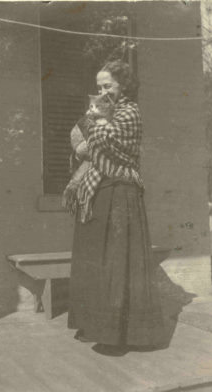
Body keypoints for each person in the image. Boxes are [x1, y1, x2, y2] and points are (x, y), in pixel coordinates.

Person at [67, 60, 165, 354]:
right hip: (98, 191)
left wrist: (94, 129)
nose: (102, 91)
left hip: (121, 194)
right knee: (94, 259)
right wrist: (90, 134)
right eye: (99, 87)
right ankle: (93, 326)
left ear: (123, 85)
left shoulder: (129, 112)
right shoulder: (102, 112)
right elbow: (78, 141)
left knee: (117, 264)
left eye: (108, 85)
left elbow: (104, 142)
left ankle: (120, 337)